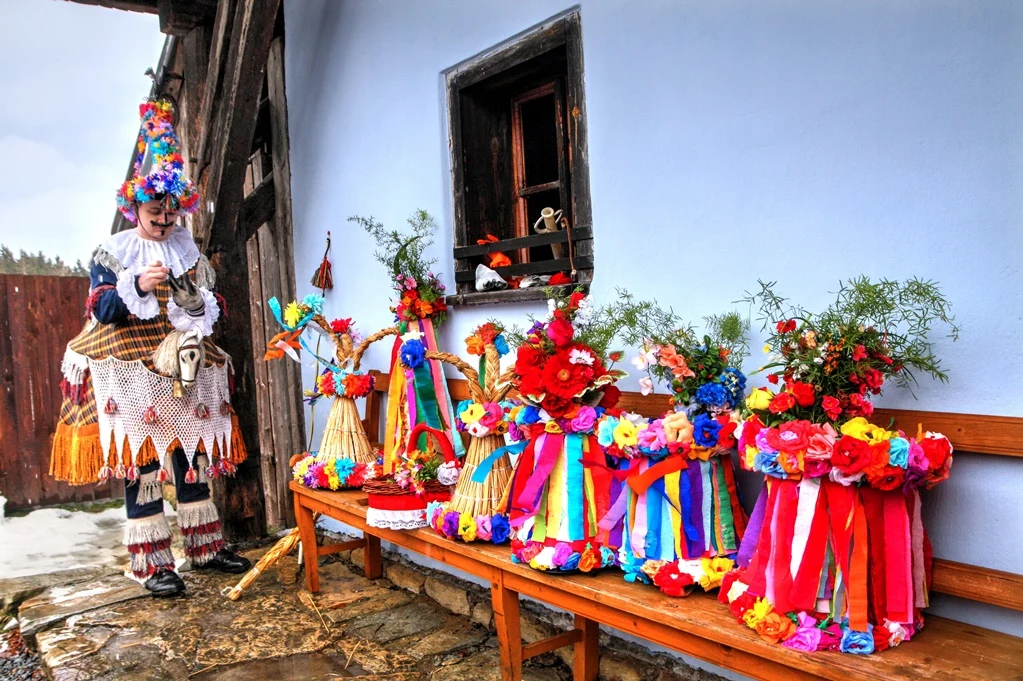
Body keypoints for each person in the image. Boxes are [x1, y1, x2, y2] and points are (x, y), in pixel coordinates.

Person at [51, 100, 251, 597]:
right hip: (131, 368)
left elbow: (211, 308)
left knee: (193, 453)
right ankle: (153, 563)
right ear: (135, 208)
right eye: (154, 210)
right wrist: (138, 285)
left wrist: (195, 301)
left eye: (170, 210)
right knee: (142, 463)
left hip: (182, 363)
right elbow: (101, 307)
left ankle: (204, 546)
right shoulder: (114, 252)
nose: (163, 219)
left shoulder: (188, 251)